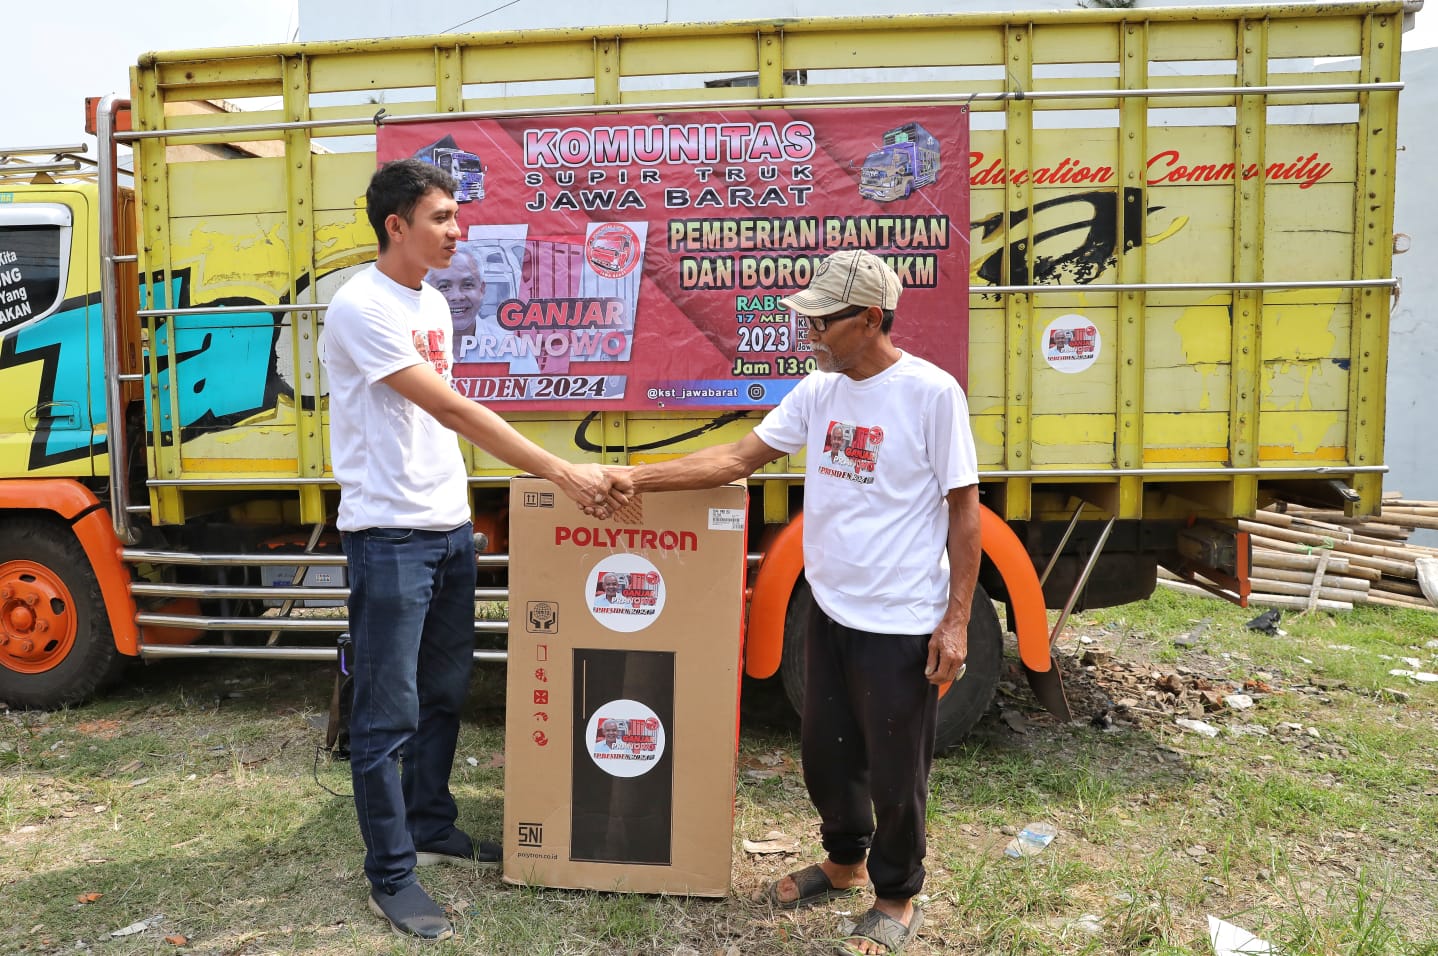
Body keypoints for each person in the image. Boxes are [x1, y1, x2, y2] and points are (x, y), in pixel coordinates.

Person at [616, 249, 979, 956]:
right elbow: (735, 460)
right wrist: (633, 478)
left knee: (897, 772)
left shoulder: (932, 394)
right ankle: (845, 861)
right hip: (831, 610)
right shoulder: (820, 392)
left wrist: (957, 619)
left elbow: (964, 511)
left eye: (821, 318)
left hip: (900, 620)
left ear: (869, 319)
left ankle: (897, 893)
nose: (806, 329)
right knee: (825, 755)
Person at [321, 158, 629, 942]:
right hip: (389, 534)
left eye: (456, 218)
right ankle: (391, 874)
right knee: (385, 716)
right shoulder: (361, 306)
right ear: (398, 225)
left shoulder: (428, 300)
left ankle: (430, 823)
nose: (458, 231)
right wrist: (560, 470)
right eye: (443, 218)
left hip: (447, 526)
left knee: (445, 692)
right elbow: (453, 409)